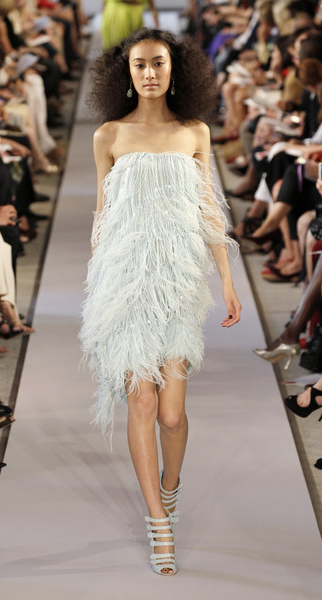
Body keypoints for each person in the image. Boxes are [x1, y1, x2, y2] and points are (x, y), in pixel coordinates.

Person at [79, 28, 241, 576]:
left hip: (177, 282)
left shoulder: (194, 132)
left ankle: (170, 484)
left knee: (172, 414)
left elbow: (208, 207)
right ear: (126, 73)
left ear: (176, 70)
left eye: (159, 63)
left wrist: (227, 278)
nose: (149, 73)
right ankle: (158, 521)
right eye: (140, 64)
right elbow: (103, 212)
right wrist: (98, 287)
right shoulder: (108, 135)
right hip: (124, 283)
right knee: (142, 403)